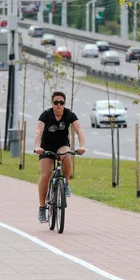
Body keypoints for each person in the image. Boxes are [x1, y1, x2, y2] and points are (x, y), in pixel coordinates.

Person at [34, 91, 86, 223]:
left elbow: (79, 130)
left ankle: (66, 184)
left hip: (62, 145)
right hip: (46, 147)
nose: (58, 105)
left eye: (61, 102)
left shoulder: (69, 114)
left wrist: (82, 146)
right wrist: (37, 146)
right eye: (56, 102)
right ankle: (42, 207)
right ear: (52, 103)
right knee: (45, 175)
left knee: (67, 155)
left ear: (64, 103)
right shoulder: (46, 115)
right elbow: (38, 131)